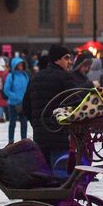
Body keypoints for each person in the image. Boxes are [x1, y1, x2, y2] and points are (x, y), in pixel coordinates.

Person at [20, 45, 89, 173]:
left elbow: (26, 107)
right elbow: (78, 104)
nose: (70, 61)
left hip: (40, 137)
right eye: (66, 58)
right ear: (57, 60)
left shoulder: (36, 77)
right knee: (60, 173)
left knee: (46, 176)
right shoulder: (65, 77)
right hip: (60, 137)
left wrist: (38, 124)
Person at [3, 57, 30, 144]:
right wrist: (15, 97)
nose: (21, 66)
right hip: (13, 104)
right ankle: (11, 140)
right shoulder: (11, 76)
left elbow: (28, 88)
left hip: (24, 103)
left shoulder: (25, 75)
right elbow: (6, 90)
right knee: (12, 123)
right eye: (19, 65)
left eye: (22, 65)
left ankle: (24, 140)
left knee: (24, 123)